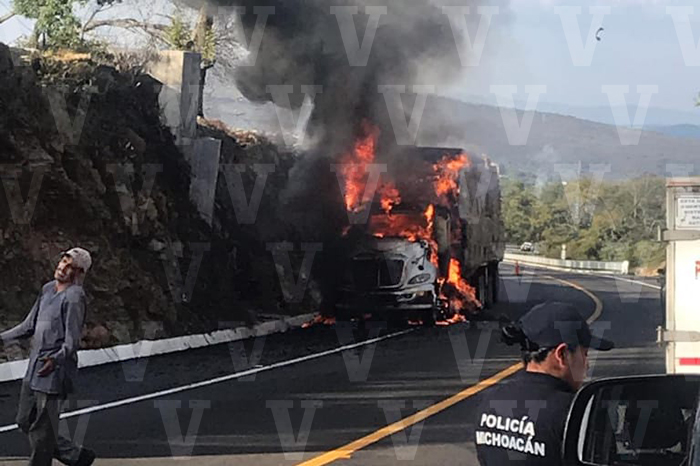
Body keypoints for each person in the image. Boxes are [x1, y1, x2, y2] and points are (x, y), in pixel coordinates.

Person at [474, 301, 614, 466]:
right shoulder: (576, 414)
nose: (587, 364)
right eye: (584, 354)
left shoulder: (489, 401)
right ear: (562, 355)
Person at [0, 248, 96, 466]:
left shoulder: (74, 297)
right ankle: (76, 456)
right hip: (35, 367)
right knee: (25, 420)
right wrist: (2, 338)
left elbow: (71, 341)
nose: (62, 267)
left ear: (79, 273)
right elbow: (28, 326)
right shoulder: (47, 289)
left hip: (54, 372)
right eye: (63, 261)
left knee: (43, 432)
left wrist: (56, 359)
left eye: (70, 266)